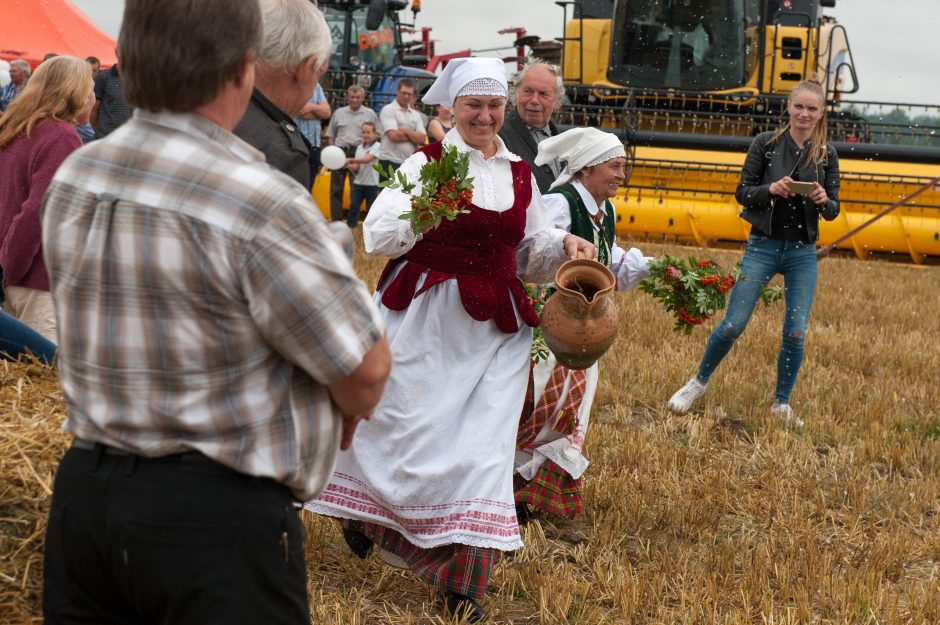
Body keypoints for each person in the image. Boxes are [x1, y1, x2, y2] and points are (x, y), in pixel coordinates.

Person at [40, 1, 391, 624]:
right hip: (212, 522)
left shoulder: (79, 175)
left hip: (85, 497)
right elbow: (363, 371)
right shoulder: (257, 200)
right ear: (241, 70)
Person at [306, 57, 596, 623]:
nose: (485, 116)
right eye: (474, 106)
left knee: (482, 450)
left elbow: (525, 254)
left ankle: (461, 582)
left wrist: (561, 246)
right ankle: (367, 516)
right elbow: (379, 236)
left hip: (497, 332)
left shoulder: (519, 173)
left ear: (504, 109)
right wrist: (425, 208)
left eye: (494, 106)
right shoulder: (425, 163)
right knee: (404, 430)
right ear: (451, 109)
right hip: (428, 317)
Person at [666, 80, 840, 428]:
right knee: (733, 324)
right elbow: (743, 192)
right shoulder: (766, 144)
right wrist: (770, 190)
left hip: (802, 253)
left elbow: (833, 211)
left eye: (812, 109)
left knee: (795, 331)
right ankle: (697, 382)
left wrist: (823, 200)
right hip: (763, 244)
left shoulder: (827, 155)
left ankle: (781, 404)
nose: (804, 114)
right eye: (799, 107)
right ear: (788, 108)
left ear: (822, 113)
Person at [513, 127, 653, 523]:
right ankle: (511, 486)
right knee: (539, 402)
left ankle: (533, 493)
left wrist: (650, 269)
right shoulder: (560, 202)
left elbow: (606, 260)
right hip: (548, 325)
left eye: (623, 166)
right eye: (614, 166)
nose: (620, 175)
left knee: (571, 407)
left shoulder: (604, 211)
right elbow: (536, 249)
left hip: (582, 326)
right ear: (587, 168)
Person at [0, 55, 94, 342]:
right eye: (89, 88)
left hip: (14, 276)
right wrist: (13, 266)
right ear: (73, 90)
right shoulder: (61, 136)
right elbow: (39, 211)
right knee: (45, 377)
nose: (93, 96)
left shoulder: (16, 130)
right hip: (38, 279)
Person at [235, 0, 330, 189]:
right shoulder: (280, 155)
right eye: (318, 74)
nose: (313, 88)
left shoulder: (215, 107)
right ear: (306, 68)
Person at [497, 61, 563, 193]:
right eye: (528, 91)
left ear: (556, 101)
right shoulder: (498, 137)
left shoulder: (565, 142)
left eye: (543, 94)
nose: (534, 100)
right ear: (516, 94)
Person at [325, 85, 380, 221]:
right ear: (347, 97)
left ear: (363, 98)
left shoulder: (370, 113)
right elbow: (331, 134)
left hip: (358, 152)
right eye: (352, 97)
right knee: (336, 188)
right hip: (339, 151)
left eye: (358, 97)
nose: (355, 100)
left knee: (355, 188)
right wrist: (333, 151)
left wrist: (369, 149)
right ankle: (336, 221)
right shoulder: (338, 113)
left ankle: (352, 220)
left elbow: (378, 133)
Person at [376, 78, 426, 173]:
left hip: (409, 162)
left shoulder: (415, 115)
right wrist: (414, 135)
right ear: (397, 92)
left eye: (409, 94)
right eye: (404, 93)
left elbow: (422, 138)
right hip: (389, 161)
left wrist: (405, 130)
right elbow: (394, 136)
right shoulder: (388, 109)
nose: (406, 96)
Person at [344, 121, 381, 227]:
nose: (365, 135)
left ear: (374, 134)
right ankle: (351, 227)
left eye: (368, 132)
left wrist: (349, 159)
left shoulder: (377, 146)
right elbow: (357, 166)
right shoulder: (359, 147)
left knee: (371, 209)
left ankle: (370, 230)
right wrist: (348, 165)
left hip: (372, 184)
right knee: (354, 206)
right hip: (359, 182)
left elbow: (367, 159)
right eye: (363, 132)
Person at [295, 81, 331, 188]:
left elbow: (327, 113)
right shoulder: (291, 84)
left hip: (314, 146)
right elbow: (302, 112)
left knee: (309, 187)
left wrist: (311, 107)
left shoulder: (316, 85)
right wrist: (318, 112)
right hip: (298, 145)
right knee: (298, 187)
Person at [91, 54, 133, 138]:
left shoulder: (139, 80)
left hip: (128, 139)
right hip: (104, 137)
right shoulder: (103, 77)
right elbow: (93, 111)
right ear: (117, 53)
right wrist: (100, 133)